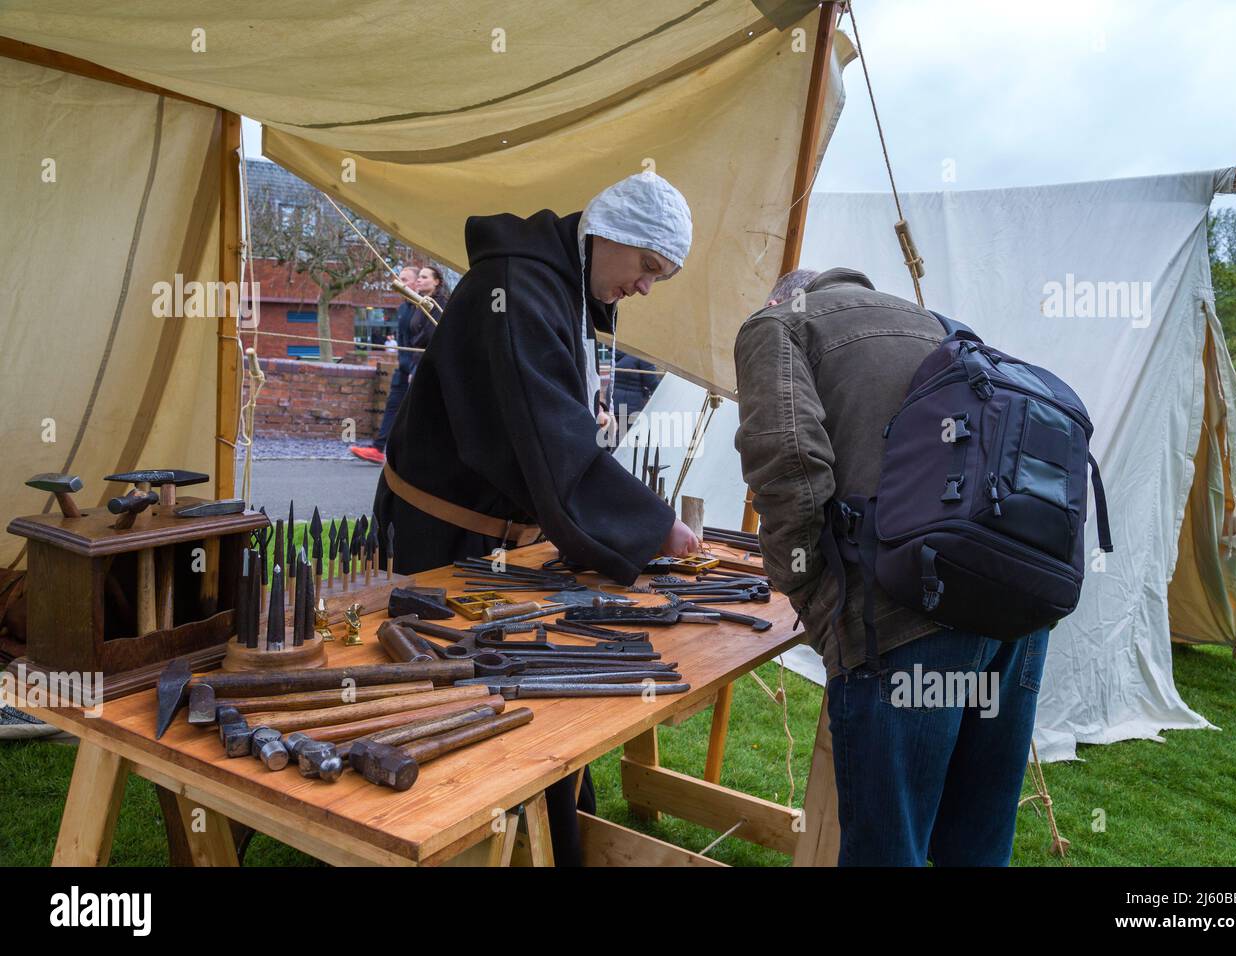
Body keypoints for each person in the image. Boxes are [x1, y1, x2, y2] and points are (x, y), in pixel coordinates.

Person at [373, 171, 699, 865]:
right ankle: (431, 833)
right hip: (442, 531)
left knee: (506, 682)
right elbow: (552, 437)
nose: (645, 288)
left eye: (659, 277)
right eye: (645, 267)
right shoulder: (517, 288)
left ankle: (538, 829)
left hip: (487, 533)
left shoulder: (559, 284)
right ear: (608, 235)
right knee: (443, 688)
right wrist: (651, 527)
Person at [733, 267, 1049, 867]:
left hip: (904, 622)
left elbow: (788, 462)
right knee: (974, 850)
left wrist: (810, 593)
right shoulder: (933, 324)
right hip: (1014, 614)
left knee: (889, 850)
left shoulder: (776, 324)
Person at [351, 265, 439, 464]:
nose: (401, 283)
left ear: (416, 283)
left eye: (406, 280)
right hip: (404, 365)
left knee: (418, 411)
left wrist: (416, 367)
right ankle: (378, 448)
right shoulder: (402, 308)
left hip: (417, 366)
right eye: (400, 279)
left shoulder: (423, 306)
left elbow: (424, 341)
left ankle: (420, 454)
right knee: (392, 406)